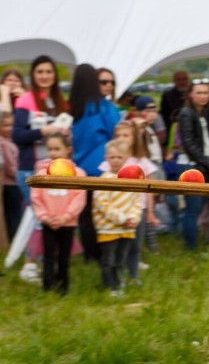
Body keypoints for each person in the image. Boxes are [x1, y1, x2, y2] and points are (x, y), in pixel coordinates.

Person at [13, 55, 71, 283]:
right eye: (40, 72)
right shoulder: (26, 100)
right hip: (31, 170)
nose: (45, 76)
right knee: (38, 218)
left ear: (54, 75)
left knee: (53, 217)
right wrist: (43, 132)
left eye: (49, 71)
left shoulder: (59, 101)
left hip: (57, 171)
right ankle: (28, 264)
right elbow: (17, 135)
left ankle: (42, 262)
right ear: (33, 75)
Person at [69, 63, 122, 263]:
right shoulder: (105, 107)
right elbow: (116, 136)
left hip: (79, 169)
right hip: (102, 168)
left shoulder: (74, 109)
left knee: (85, 216)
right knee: (104, 212)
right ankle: (105, 254)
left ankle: (89, 254)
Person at [30, 133, 86, 295]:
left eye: (57, 149)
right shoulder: (41, 174)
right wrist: (45, 217)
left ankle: (63, 288)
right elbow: (36, 197)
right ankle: (47, 287)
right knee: (48, 256)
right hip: (48, 222)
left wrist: (66, 217)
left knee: (64, 257)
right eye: (49, 149)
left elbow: (78, 199)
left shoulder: (78, 173)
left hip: (67, 223)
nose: (53, 153)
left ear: (68, 150)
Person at [110, 120, 159, 281]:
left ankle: (133, 275)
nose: (122, 138)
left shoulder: (141, 162)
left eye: (126, 135)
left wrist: (150, 213)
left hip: (139, 210)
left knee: (135, 245)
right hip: (118, 210)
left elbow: (149, 189)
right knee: (120, 245)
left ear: (134, 138)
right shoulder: (112, 161)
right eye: (118, 135)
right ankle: (119, 275)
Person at [93, 139, 141, 297]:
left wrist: (133, 218)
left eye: (119, 157)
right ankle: (110, 289)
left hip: (127, 227)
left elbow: (137, 201)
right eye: (112, 157)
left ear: (126, 157)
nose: (115, 161)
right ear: (106, 158)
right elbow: (102, 204)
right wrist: (122, 218)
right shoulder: (103, 179)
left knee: (121, 260)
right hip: (108, 228)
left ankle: (120, 286)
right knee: (109, 260)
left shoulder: (133, 179)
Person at [177, 79, 209, 250]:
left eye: (206, 92)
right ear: (191, 94)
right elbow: (189, 144)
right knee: (192, 209)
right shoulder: (187, 113)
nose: (202, 96)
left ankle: (197, 242)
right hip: (191, 166)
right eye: (198, 93)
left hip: (201, 164)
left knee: (199, 208)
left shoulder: (204, 113)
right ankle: (190, 248)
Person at [1, 112, 22, 242]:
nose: (10, 128)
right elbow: (9, 167)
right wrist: (21, 177)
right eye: (5, 125)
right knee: (14, 213)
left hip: (14, 182)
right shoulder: (3, 144)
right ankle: (14, 238)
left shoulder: (10, 140)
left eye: (12, 124)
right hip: (10, 184)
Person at [159, 70, 190, 140]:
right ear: (174, 81)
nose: (182, 82)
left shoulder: (193, 94)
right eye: (178, 80)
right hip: (175, 134)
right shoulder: (167, 96)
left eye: (184, 79)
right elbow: (164, 116)